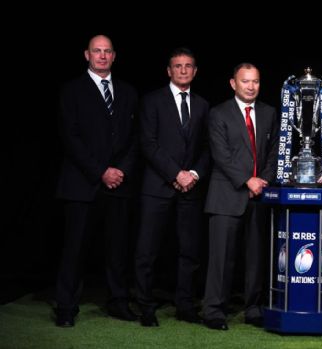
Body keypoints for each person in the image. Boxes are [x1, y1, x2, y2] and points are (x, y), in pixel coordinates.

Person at [55, 34, 139, 327]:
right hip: (83, 184)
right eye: (97, 51)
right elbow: (71, 137)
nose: (102, 56)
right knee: (74, 250)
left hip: (119, 185)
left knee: (118, 249)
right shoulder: (71, 91)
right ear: (86, 55)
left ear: (114, 56)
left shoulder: (128, 92)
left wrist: (120, 171)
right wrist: (101, 171)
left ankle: (118, 302)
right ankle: (66, 307)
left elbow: (133, 139)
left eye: (107, 51)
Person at [134, 47, 210, 327]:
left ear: (195, 71)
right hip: (157, 187)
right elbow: (148, 144)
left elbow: (206, 148)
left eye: (188, 66)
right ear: (169, 70)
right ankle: (145, 306)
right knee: (147, 251)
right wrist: (175, 173)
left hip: (191, 189)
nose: (183, 70)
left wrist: (192, 174)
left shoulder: (202, 105)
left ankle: (185, 305)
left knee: (189, 251)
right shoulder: (152, 101)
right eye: (177, 66)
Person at [202, 63, 278, 331]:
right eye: (245, 81)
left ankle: (253, 307)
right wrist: (247, 180)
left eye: (255, 81)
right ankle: (214, 310)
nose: (251, 86)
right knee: (221, 259)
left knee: (256, 257)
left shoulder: (269, 113)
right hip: (226, 195)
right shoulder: (218, 113)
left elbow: (273, 153)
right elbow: (220, 155)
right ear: (233, 83)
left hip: (259, 195)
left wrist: (262, 181)